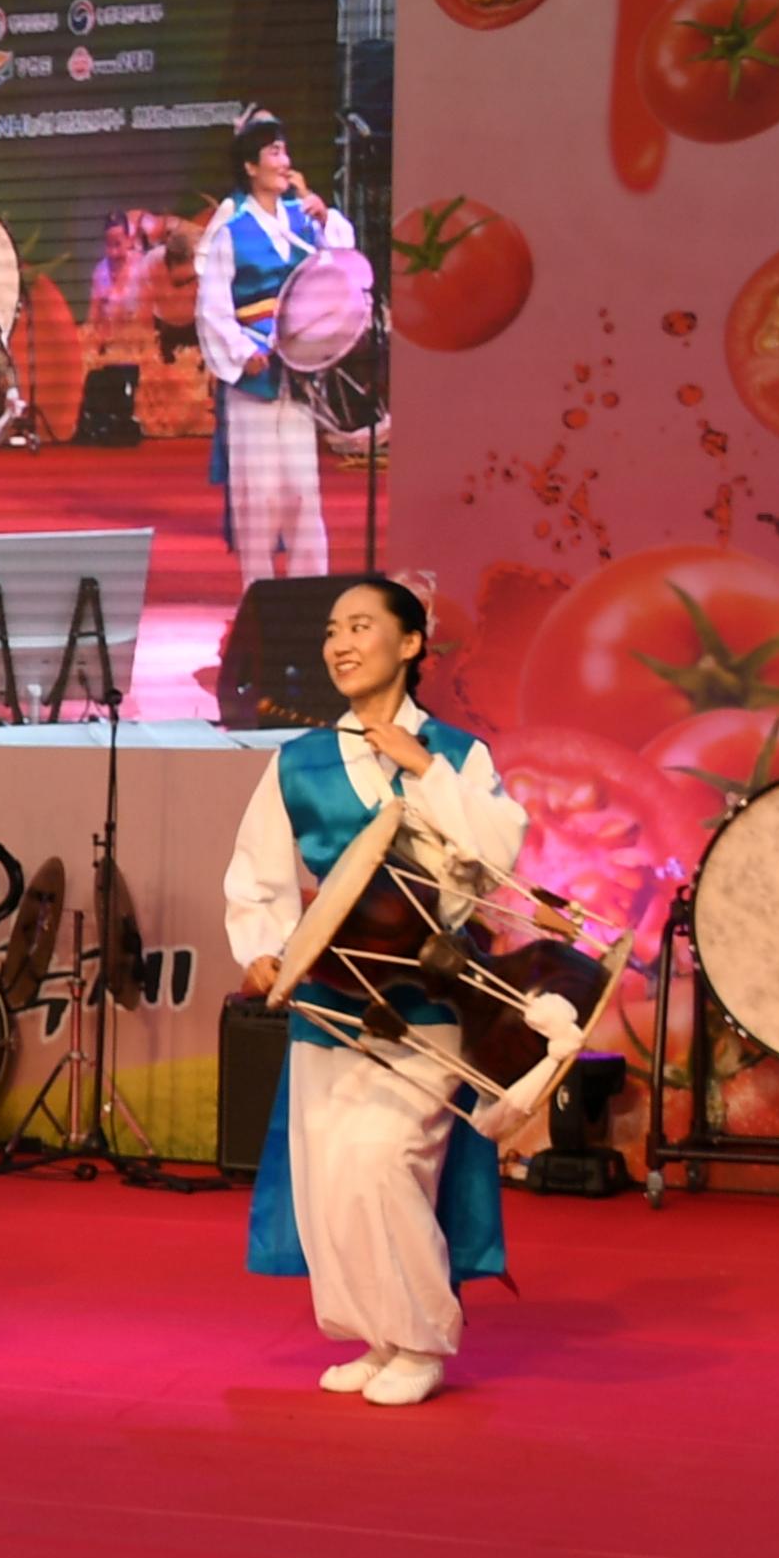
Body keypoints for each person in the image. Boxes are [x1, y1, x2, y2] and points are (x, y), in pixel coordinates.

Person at [221, 578, 524, 1408]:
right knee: (334, 1180)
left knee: (387, 1163)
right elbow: (258, 880)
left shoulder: (459, 757)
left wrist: (422, 768)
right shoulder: (300, 761)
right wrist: (264, 953)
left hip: (428, 1003)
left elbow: (499, 853)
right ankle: (379, 1335)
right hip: (330, 1001)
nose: (340, 643)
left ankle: (423, 1339)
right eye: (331, 631)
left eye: (362, 626)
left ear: (412, 644)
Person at [196, 115, 351, 581]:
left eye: (286, 152)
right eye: (274, 154)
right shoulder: (233, 229)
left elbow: (338, 267)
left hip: (298, 371)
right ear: (250, 166)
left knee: (304, 491)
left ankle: (309, 597)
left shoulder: (303, 221)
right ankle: (258, 601)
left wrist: (321, 215)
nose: (285, 163)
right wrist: (244, 351)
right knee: (256, 497)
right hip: (256, 379)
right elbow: (213, 307)